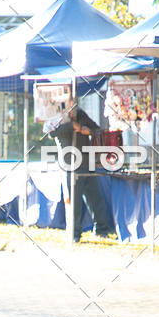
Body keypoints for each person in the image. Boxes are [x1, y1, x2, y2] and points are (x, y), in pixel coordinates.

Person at [49, 99, 112, 239]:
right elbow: (51, 133)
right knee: (74, 204)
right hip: (70, 167)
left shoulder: (81, 115)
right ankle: (74, 235)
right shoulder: (57, 118)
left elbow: (96, 129)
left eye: (74, 104)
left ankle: (101, 231)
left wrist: (87, 130)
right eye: (69, 104)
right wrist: (72, 126)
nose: (72, 107)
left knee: (96, 201)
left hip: (87, 164)